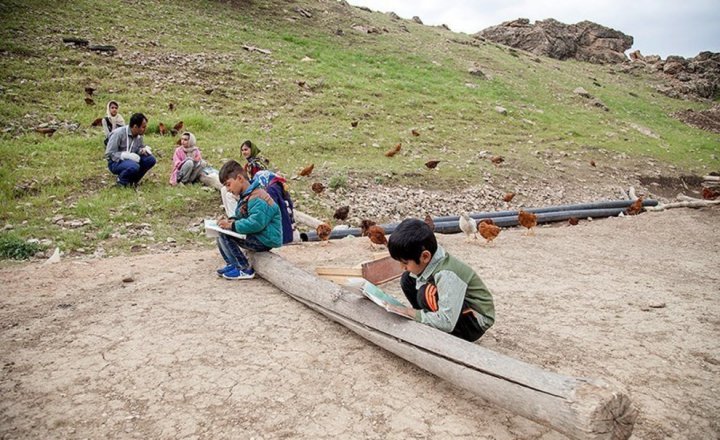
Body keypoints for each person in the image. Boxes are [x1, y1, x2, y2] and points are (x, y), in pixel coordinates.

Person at [386, 218, 495, 342]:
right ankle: (428, 320)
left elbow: (447, 322)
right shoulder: (433, 259)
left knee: (425, 293)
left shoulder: (447, 275)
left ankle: (442, 330)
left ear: (425, 256)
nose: (402, 266)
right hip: (461, 312)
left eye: (405, 262)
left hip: (474, 324)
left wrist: (411, 313)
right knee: (408, 278)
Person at [215, 160, 282, 280]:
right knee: (221, 232)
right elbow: (242, 217)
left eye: (228, 184)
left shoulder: (258, 197)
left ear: (240, 178)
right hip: (258, 235)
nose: (228, 189)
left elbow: (256, 223)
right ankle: (232, 264)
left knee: (226, 235)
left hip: (265, 239)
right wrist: (230, 221)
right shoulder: (247, 196)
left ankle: (244, 268)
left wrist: (232, 226)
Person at [105, 113, 156, 187]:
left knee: (150, 159)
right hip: (115, 162)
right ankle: (121, 182)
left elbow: (137, 148)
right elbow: (109, 154)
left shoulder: (139, 135)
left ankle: (133, 181)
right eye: (143, 127)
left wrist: (142, 150)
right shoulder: (118, 134)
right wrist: (124, 155)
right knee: (134, 166)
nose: (145, 129)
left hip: (131, 160)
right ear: (135, 126)